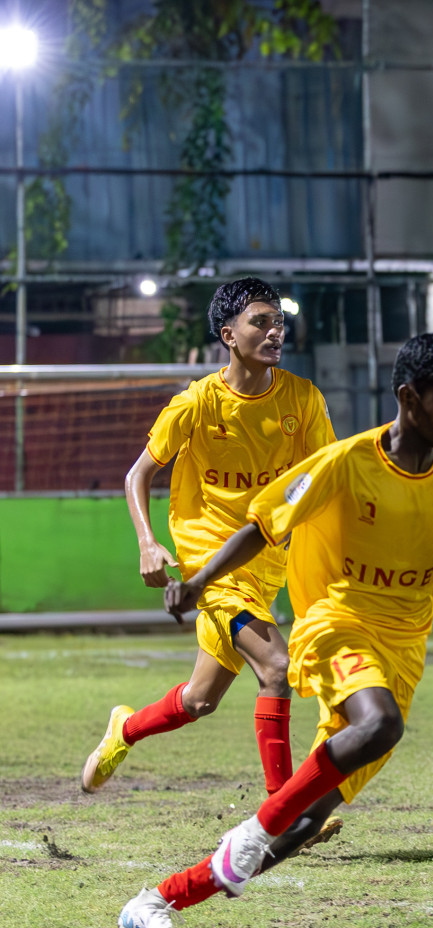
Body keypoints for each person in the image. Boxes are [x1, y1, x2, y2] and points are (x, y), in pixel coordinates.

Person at [115, 333, 433, 928]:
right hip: (336, 623)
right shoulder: (345, 462)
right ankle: (249, 831)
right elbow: (261, 525)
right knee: (378, 725)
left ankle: (156, 900)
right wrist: (196, 581)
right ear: (409, 398)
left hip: (403, 651)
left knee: (302, 823)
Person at [82, 278, 336, 798]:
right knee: (276, 666)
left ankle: (122, 731)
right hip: (209, 567)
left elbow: (323, 481)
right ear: (228, 333)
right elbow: (137, 475)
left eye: (278, 322)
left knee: (199, 700)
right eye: (259, 322)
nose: (273, 332)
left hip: (266, 566)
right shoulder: (196, 403)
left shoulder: (303, 399)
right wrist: (147, 544)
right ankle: (281, 812)